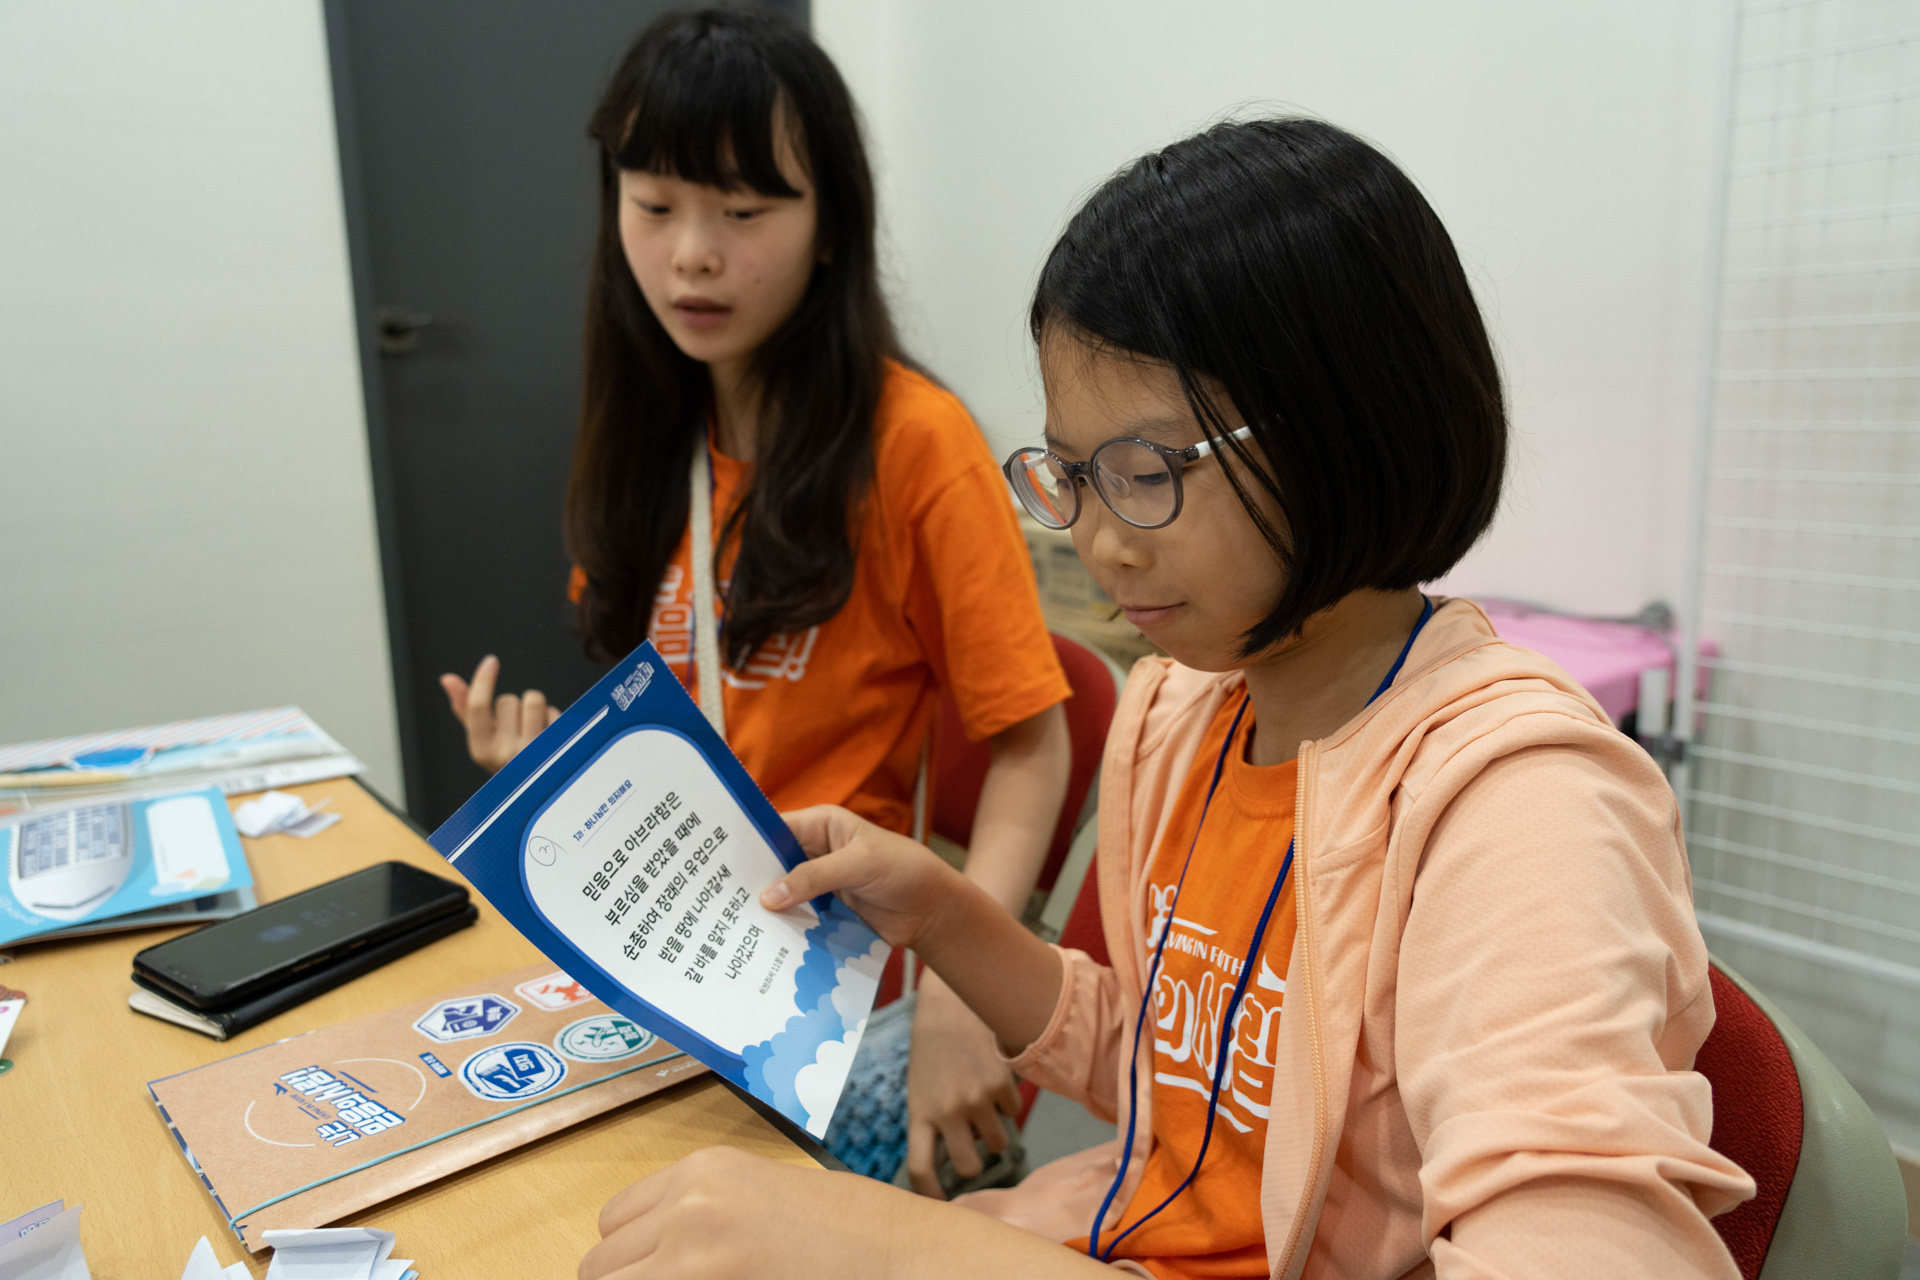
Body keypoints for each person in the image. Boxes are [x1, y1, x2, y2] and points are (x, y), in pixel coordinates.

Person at [578, 118, 1757, 1279]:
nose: (1098, 540)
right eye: (1072, 475)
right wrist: (943, 915)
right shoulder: (1186, 714)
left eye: (1144, 474)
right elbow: (1171, 1072)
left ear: (1345, 430)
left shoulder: (1519, 809)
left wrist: (896, 1248)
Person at [436, 9, 1072, 1192]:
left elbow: (1034, 743)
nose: (692, 255)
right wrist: (548, 780)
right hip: (678, 953)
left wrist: (966, 988)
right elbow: (678, 729)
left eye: (742, 211)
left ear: (831, 225)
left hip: (834, 978)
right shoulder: (647, 431)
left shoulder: (915, 445)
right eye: (655, 203)